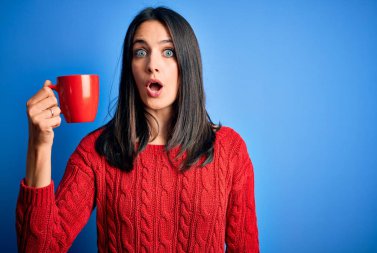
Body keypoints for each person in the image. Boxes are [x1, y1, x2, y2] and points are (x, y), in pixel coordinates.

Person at [16, 6, 260, 253]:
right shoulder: (97, 151)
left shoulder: (230, 150)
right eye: (140, 52)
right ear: (130, 67)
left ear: (187, 64)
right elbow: (40, 248)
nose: (152, 64)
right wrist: (39, 145)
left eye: (168, 52)